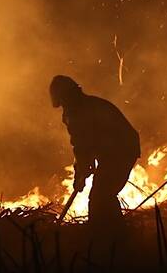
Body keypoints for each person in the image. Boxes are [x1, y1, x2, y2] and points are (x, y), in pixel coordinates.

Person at [50, 75, 140, 231]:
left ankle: (110, 234)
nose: (63, 106)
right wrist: (82, 170)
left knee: (101, 194)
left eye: (63, 101)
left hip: (121, 151)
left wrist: (82, 170)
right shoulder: (84, 106)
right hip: (112, 153)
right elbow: (83, 146)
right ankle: (110, 233)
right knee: (102, 194)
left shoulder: (79, 112)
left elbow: (83, 145)